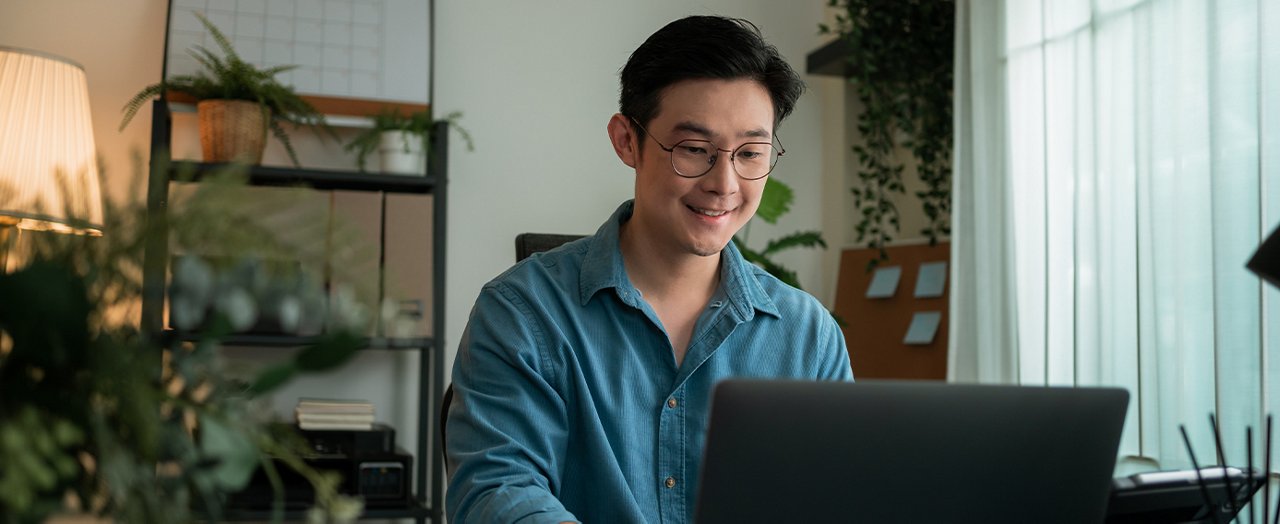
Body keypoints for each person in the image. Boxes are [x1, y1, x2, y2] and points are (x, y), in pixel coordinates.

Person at [445, 15, 853, 524]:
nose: (724, 183)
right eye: (694, 150)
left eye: (751, 153)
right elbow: (497, 493)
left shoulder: (808, 338)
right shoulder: (523, 314)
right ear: (626, 141)